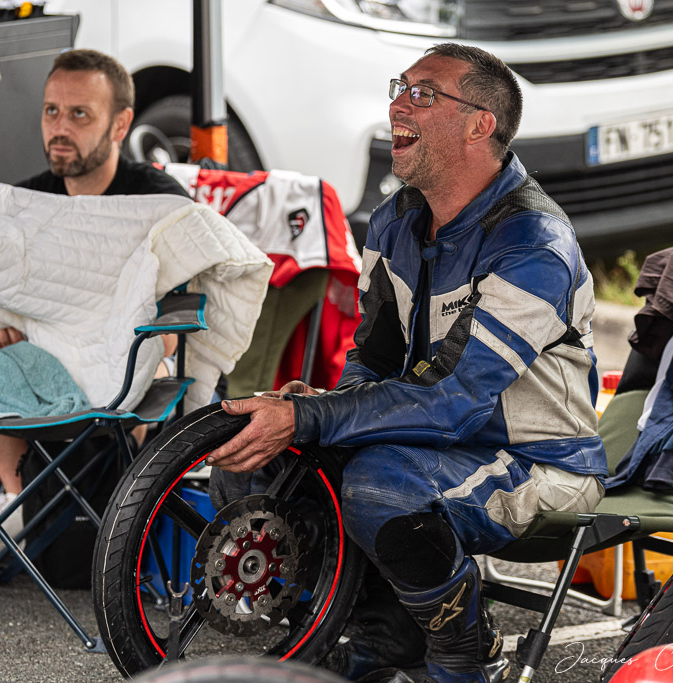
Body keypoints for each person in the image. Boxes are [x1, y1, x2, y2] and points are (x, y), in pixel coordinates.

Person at [205, 43, 607, 683]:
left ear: (480, 124)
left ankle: (465, 658)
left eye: (423, 94)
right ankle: (384, 633)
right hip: (425, 438)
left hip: (540, 461)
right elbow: (373, 358)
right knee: (258, 454)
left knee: (380, 484)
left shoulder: (534, 243)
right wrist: (324, 411)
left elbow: (455, 400)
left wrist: (317, 418)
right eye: (400, 88)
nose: (398, 105)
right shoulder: (396, 218)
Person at [0, 49, 189, 555]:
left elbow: (178, 321)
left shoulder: (157, 200)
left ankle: (123, 514)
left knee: (156, 353)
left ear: (120, 125)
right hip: (44, 359)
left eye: (79, 114)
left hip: (122, 361)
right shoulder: (27, 201)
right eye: (51, 111)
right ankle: (20, 498)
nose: (60, 128)